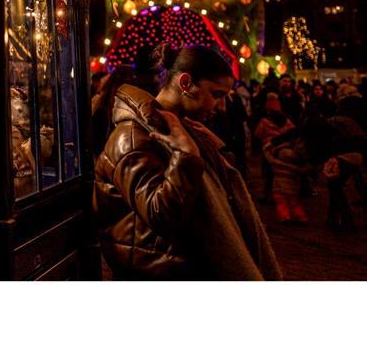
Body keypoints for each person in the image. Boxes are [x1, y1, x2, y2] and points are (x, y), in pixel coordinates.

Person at [93, 43, 281, 279]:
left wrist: (217, 153)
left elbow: (220, 194)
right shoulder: (130, 137)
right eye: (216, 95)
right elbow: (160, 216)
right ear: (185, 84)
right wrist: (186, 157)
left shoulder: (187, 130)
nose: (222, 107)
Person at [264, 129, 310, 223]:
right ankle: (302, 217)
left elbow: (267, 154)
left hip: (278, 186)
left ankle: (285, 217)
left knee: (281, 202)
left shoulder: (276, 163)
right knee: (294, 202)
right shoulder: (297, 166)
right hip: (293, 187)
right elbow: (306, 169)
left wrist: (270, 148)